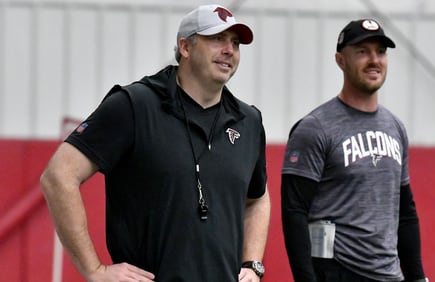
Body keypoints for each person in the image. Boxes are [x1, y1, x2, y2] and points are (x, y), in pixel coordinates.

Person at [40, 4, 270, 282]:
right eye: (217, 39)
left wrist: (253, 264)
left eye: (235, 43)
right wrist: (94, 270)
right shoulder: (134, 106)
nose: (229, 50)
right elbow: (58, 177)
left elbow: (257, 198)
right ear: (185, 47)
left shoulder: (248, 120)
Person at [281, 18, 428, 282]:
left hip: (390, 275)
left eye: (380, 52)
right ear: (340, 60)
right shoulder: (315, 128)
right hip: (338, 272)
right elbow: (294, 212)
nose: (374, 60)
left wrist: (417, 277)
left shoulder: (396, 128)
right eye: (362, 51)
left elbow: (406, 212)